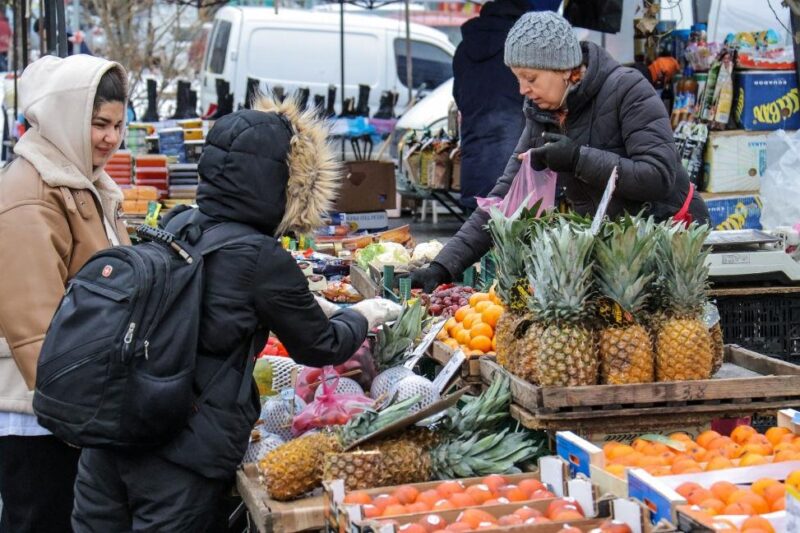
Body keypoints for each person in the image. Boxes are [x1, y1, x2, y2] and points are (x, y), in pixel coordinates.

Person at [71, 96, 401, 532]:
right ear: (287, 180)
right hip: (181, 454)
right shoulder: (260, 257)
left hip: (112, 436)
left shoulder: (178, 223)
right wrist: (363, 313)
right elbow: (320, 345)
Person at [412, 11, 710, 292]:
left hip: (671, 241)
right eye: (517, 78)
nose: (522, 90)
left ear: (565, 69)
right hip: (615, 256)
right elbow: (505, 197)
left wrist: (578, 158)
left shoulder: (627, 90)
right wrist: (443, 266)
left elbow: (658, 176)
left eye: (531, 78)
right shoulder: (542, 114)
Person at [0, 55, 129, 533]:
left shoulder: (85, 183)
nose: (110, 138)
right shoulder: (30, 192)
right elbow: (34, 326)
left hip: (71, 406)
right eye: (99, 124)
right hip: (40, 414)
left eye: (117, 124)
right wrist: (76, 416)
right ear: (66, 117)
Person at [454, 0, 560, 210]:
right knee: (516, 235)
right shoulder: (524, 46)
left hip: (475, 160)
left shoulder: (465, 47)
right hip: (516, 165)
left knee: (477, 235)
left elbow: (459, 97)